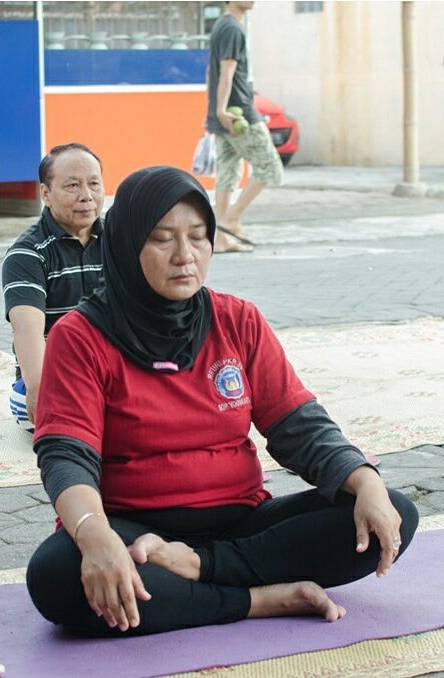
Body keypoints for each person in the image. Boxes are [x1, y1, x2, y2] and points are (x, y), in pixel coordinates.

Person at [25, 166, 418, 638]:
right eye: (162, 239)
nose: (184, 255)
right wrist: (94, 534)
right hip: (132, 531)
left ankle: (199, 571)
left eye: (198, 237)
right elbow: (66, 454)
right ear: (127, 245)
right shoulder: (80, 336)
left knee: (390, 513)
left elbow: (299, 426)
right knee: (57, 575)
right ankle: (257, 600)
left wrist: (365, 480)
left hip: (241, 526)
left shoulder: (238, 320)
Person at [1, 143, 105, 430]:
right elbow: (28, 331)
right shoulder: (27, 253)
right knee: (24, 402)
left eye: (94, 183)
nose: (86, 195)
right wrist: (39, 392)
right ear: (45, 194)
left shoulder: (121, 240)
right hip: (58, 372)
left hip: (113, 367)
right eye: (73, 185)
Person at [206, 1, 283, 253]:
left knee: (228, 173)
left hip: (224, 113)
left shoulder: (221, 25)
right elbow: (226, 72)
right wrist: (220, 110)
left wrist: (215, 111)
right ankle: (231, 219)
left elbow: (211, 72)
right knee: (270, 167)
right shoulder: (232, 28)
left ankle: (221, 239)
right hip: (238, 113)